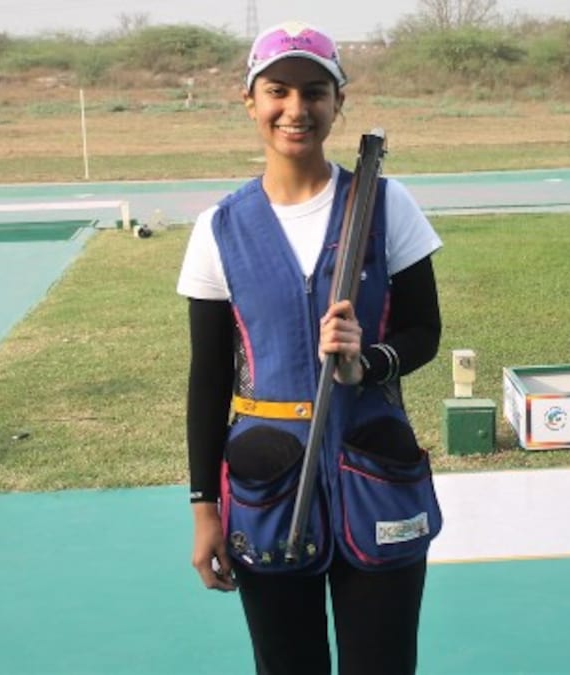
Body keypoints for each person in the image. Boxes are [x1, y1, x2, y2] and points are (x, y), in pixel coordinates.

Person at [176, 21, 445, 675]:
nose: (296, 109)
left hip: (375, 474)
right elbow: (209, 376)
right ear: (250, 101)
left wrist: (368, 359)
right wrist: (203, 508)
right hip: (267, 486)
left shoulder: (385, 202)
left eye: (314, 91)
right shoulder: (219, 227)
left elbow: (423, 330)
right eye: (278, 91)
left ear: (337, 103)